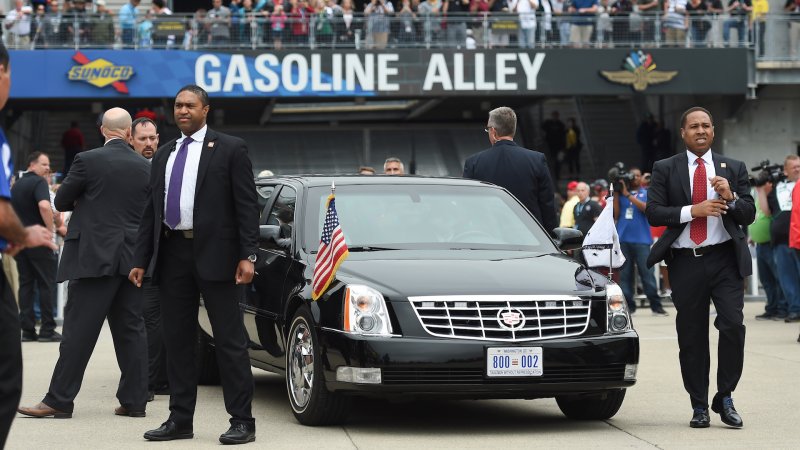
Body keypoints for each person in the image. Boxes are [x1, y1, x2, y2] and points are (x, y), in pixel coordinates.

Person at [129, 85, 259, 445]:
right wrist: (141, 259)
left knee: (230, 341)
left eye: (190, 105)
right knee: (178, 341)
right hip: (172, 257)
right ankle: (180, 420)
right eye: (178, 105)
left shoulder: (231, 148)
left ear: (206, 110)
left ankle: (242, 421)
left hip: (218, 258)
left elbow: (247, 206)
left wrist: (248, 255)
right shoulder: (166, 152)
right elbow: (150, 212)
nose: (182, 111)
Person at [17, 108, 151, 420]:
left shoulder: (87, 160)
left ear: (103, 130)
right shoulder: (145, 167)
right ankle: (135, 401)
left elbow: (61, 201)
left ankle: (59, 400)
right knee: (132, 330)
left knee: (78, 330)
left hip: (94, 256)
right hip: (131, 259)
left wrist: (87, 200)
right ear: (129, 133)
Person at [646, 106, 755, 429]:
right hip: (685, 262)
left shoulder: (732, 167)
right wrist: (693, 210)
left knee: (733, 325)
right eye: (694, 126)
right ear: (683, 133)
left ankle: (725, 396)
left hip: (724, 260)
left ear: (713, 131)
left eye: (706, 125)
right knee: (692, 336)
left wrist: (730, 196)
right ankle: (698, 405)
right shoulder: (665, 168)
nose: (701, 131)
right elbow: (654, 212)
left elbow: (747, 213)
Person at [0, 43, 57, 449]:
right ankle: (47, 327)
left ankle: (30, 327)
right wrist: (33, 233)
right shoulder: (35, 181)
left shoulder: (21, 177)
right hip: (25, 244)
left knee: (28, 291)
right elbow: (39, 208)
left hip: (9, 248)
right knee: (7, 374)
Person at [464, 107, 558, 234]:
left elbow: (468, 206)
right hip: (530, 237)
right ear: (512, 129)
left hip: (488, 237)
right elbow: (547, 205)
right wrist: (552, 237)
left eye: (487, 129)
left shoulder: (473, 163)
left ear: (493, 131)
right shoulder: (537, 159)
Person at [128, 117, 168, 400]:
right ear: (131, 139)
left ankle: (156, 379)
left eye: (153, 138)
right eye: (143, 139)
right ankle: (149, 379)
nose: (150, 144)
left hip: (160, 260)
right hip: (132, 259)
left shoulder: (165, 166)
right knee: (143, 322)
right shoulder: (126, 169)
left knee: (157, 321)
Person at [10, 152, 59, 342]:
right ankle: (47, 329)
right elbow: (45, 207)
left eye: (48, 165)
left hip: (21, 241)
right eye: (44, 164)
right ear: (32, 164)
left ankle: (27, 330)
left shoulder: (16, 185)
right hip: (39, 240)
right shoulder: (39, 183)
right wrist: (49, 232)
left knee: (26, 285)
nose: (47, 168)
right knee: (46, 284)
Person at [614, 166, 668, 316]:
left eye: (638, 175)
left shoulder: (646, 192)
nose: (635, 177)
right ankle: (629, 307)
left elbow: (647, 209)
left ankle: (656, 307)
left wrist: (628, 195)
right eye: (633, 175)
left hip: (642, 240)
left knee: (647, 274)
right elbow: (616, 214)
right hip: (623, 239)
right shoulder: (622, 193)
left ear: (641, 178)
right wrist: (618, 194)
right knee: (625, 276)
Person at [762, 155, 800, 322]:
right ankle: (795, 310)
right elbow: (767, 211)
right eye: (794, 167)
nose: (797, 169)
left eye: (799, 166)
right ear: (785, 170)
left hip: (798, 240)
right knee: (787, 279)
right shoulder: (777, 187)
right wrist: (761, 191)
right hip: (782, 241)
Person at [752, 179, 786, 320]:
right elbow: (757, 216)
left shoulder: (774, 196)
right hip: (760, 244)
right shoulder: (758, 196)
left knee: (778, 279)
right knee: (766, 280)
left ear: (770, 183)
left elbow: (766, 213)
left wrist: (761, 192)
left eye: (763, 182)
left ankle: (782, 308)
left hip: (771, 244)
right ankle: (771, 308)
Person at [542, 111, 566, 180]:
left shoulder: (561, 124)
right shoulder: (548, 123)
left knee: (557, 162)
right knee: (549, 161)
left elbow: (563, 136)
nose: (555, 117)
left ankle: (556, 175)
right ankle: (550, 175)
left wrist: (563, 148)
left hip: (558, 147)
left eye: (556, 116)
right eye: (554, 116)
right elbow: (542, 129)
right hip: (549, 145)